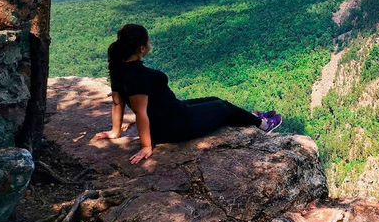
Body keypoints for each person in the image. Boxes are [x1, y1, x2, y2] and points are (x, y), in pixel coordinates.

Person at [94, 24, 282, 164]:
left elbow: (117, 103)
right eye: (148, 41)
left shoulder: (118, 69)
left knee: (215, 100)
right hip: (178, 125)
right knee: (222, 107)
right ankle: (263, 124)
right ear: (142, 49)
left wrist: (115, 131)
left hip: (175, 113)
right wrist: (146, 146)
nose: (150, 43)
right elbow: (140, 112)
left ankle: (252, 118)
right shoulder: (141, 76)